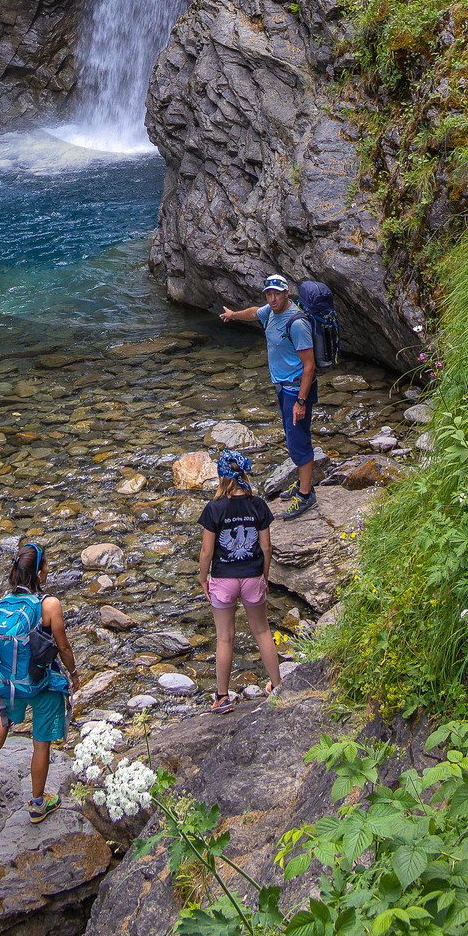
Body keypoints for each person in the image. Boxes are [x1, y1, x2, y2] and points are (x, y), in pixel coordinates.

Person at [0, 540, 80, 820]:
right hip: (41, 683)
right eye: (46, 568)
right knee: (40, 742)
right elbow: (64, 647)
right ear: (40, 574)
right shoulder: (50, 605)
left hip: (10, 684)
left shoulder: (2, 604)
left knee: (4, 720)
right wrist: (75, 674)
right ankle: (37, 803)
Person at [219, 272, 318, 515]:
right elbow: (254, 312)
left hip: (297, 390)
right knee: (294, 437)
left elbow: (309, 366)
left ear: (286, 293)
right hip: (285, 389)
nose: (272, 299)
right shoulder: (270, 312)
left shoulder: (296, 324)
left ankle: (306, 495)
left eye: (277, 294)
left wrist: (301, 401)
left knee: (299, 442)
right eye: (269, 294)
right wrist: (233, 315)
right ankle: (303, 485)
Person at [199, 448, 282, 710]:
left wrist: (203, 578)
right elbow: (267, 548)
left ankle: (222, 697)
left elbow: (207, 551)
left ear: (223, 477)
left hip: (224, 579)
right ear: (244, 474)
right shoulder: (258, 505)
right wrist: (264, 576)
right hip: (252, 576)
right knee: (262, 631)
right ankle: (278, 688)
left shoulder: (214, 508)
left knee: (225, 637)